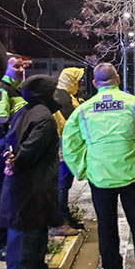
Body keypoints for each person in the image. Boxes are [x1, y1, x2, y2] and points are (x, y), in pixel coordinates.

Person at [62, 63, 135, 269]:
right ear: (118, 79)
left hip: (100, 179)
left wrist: (83, 170)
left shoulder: (84, 110)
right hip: (132, 176)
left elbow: (70, 145)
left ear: (96, 84)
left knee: (107, 229)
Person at [0, 75, 65, 269]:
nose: (57, 95)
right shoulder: (44, 116)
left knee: (20, 224)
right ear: (44, 93)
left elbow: (10, 140)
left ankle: (17, 268)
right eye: (53, 91)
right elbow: (31, 148)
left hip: (20, 180)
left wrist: (11, 161)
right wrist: (17, 162)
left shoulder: (24, 112)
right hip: (36, 179)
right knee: (34, 224)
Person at [0, 55, 27, 261]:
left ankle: (10, 239)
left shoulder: (16, 90)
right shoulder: (0, 90)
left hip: (11, 148)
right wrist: (9, 151)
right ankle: (0, 244)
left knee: (13, 192)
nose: (20, 69)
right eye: (15, 66)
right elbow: (0, 125)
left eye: (21, 66)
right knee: (5, 193)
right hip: (3, 148)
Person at [52, 67, 86, 232]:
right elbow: (71, 122)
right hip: (63, 145)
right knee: (62, 183)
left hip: (63, 144)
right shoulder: (63, 98)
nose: (80, 83)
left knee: (63, 183)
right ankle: (61, 218)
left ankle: (63, 215)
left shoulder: (67, 96)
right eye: (78, 80)